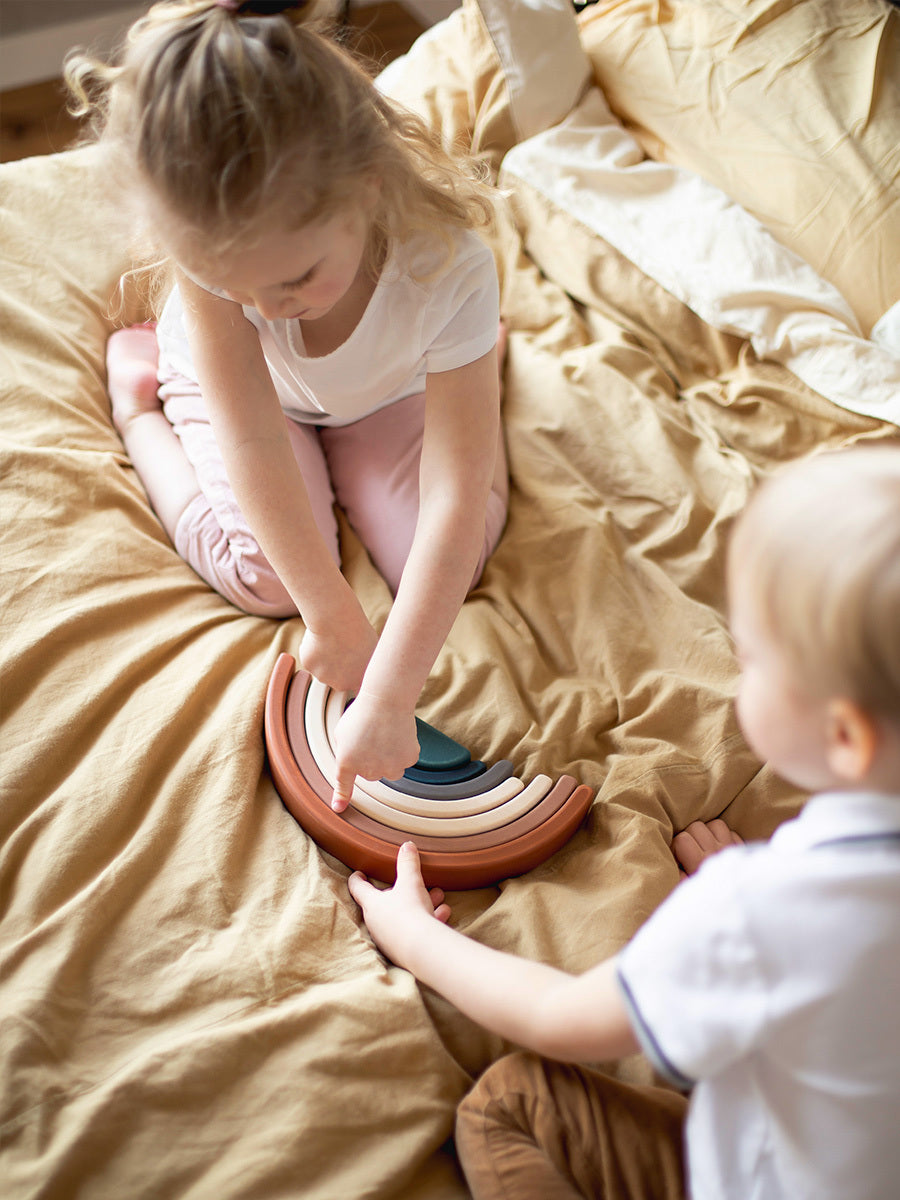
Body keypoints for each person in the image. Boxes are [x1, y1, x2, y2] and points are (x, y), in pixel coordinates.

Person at [349, 445, 900, 1200]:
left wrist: (413, 936)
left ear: (845, 737)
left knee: (510, 1104)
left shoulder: (759, 914)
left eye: (757, 658)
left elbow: (560, 1017)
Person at [66, 0, 507, 811]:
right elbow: (252, 436)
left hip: (389, 392)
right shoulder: (223, 269)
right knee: (266, 580)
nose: (265, 310)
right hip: (254, 405)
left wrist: (394, 688)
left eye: (295, 281)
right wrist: (334, 618)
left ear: (368, 191)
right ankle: (141, 410)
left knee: (445, 562)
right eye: (235, 287)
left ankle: (477, 365)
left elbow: (453, 491)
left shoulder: (448, 267)